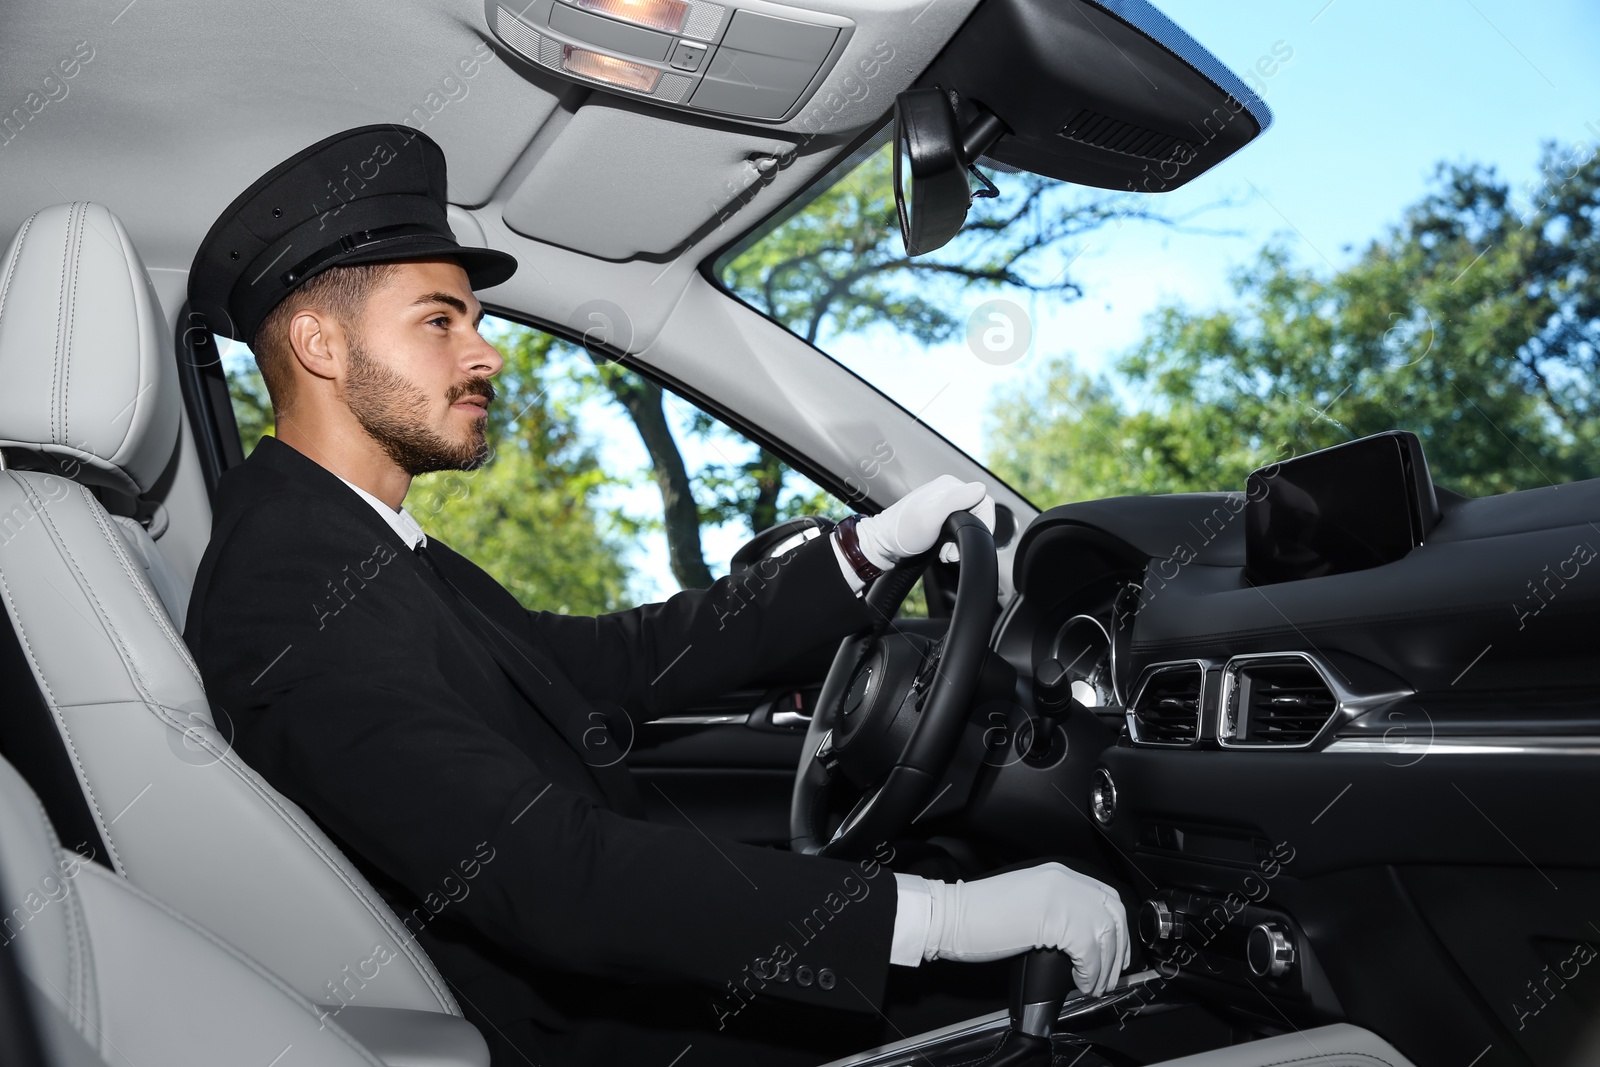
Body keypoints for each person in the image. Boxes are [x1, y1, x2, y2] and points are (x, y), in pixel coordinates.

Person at [183, 125, 1129, 1066]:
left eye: (474, 321)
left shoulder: (357, 541)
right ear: (319, 345)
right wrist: (941, 920)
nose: (486, 355)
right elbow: (551, 875)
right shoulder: (291, 580)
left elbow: (609, 663)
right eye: (440, 320)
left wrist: (863, 549)